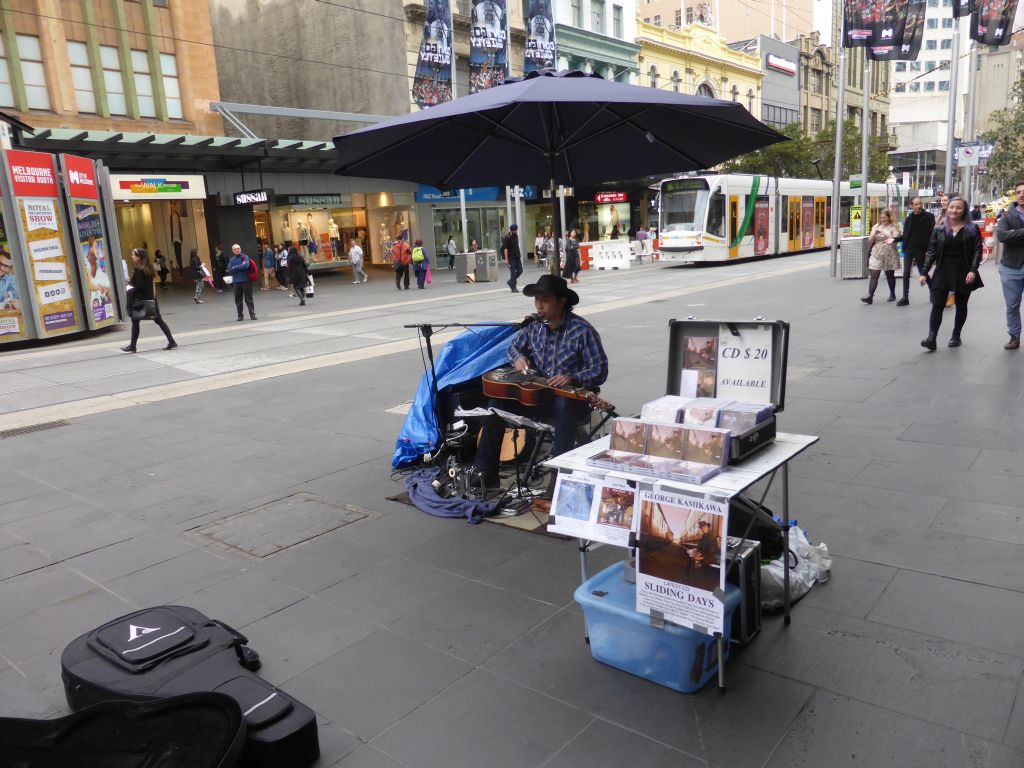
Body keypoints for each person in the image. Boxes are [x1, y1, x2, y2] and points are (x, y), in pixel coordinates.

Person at [473, 274, 608, 486]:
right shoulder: (534, 327)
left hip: (572, 402)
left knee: (564, 405)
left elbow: (600, 370)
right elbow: (513, 348)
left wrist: (572, 377)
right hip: (538, 398)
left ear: (561, 302)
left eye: (545, 300)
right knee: (496, 405)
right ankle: (485, 474)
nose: (539, 305)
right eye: (536, 300)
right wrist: (518, 358)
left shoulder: (583, 331)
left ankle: (560, 479)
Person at [918, 196, 983, 350]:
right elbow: (932, 252)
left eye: (958, 208)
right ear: (947, 209)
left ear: (964, 210)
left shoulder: (972, 228)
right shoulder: (939, 229)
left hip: (964, 271)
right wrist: (924, 273)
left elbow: (977, 251)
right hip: (943, 270)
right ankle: (931, 338)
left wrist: (973, 271)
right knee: (937, 304)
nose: (954, 210)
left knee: (961, 305)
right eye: (952, 207)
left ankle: (956, 335)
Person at [122, 247, 176, 353]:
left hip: (141, 300)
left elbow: (140, 286)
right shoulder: (148, 267)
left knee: (136, 321)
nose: (132, 256)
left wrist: (131, 288)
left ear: (138, 257)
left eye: (133, 255)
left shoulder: (138, 269)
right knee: (158, 320)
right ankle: (171, 341)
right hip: (151, 299)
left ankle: (133, 346)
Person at [995, 181, 1024, 349]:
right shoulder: (1006, 215)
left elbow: (1009, 235)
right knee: (1012, 305)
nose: (1022, 194)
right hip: (1011, 267)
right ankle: (1014, 336)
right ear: (1015, 195)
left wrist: (1015, 234)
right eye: (1019, 191)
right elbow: (1002, 236)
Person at [895, 197, 935, 306]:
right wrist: (894, 239)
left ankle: (933, 293)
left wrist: (930, 249)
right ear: (911, 206)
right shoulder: (909, 219)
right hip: (909, 248)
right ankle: (905, 297)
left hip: (921, 249)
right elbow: (905, 235)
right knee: (906, 272)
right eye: (916, 204)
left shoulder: (929, 217)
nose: (918, 206)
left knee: (923, 271)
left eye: (920, 204)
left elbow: (931, 234)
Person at [861, 209, 902, 304]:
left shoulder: (894, 227)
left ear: (889, 217)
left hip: (890, 253)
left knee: (890, 275)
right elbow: (870, 241)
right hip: (877, 253)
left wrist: (886, 235)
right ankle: (870, 296)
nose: (882, 219)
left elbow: (895, 242)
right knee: (874, 275)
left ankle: (892, 293)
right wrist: (874, 234)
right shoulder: (876, 226)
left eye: (884, 217)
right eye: (881, 217)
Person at [227, 243, 257, 321]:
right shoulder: (232, 259)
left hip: (246, 280)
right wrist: (240, 267)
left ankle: (252, 314)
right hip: (236, 282)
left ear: (240, 249)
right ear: (233, 251)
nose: (237, 250)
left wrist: (235, 267)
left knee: (249, 299)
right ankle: (240, 316)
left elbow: (246, 265)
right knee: (238, 299)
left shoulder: (245, 256)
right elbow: (230, 270)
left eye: (238, 248)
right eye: (235, 249)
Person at [503, 223, 523, 293]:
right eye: (515, 230)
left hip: (517, 256)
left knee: (520, 271)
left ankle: (510, 281)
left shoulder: (516, 236)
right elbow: (505, 249)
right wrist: (506, 259)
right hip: (511, 258)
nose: (516, 231)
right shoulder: (507, 238)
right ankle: (513, 287)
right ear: (512, 230)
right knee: (513, 273)